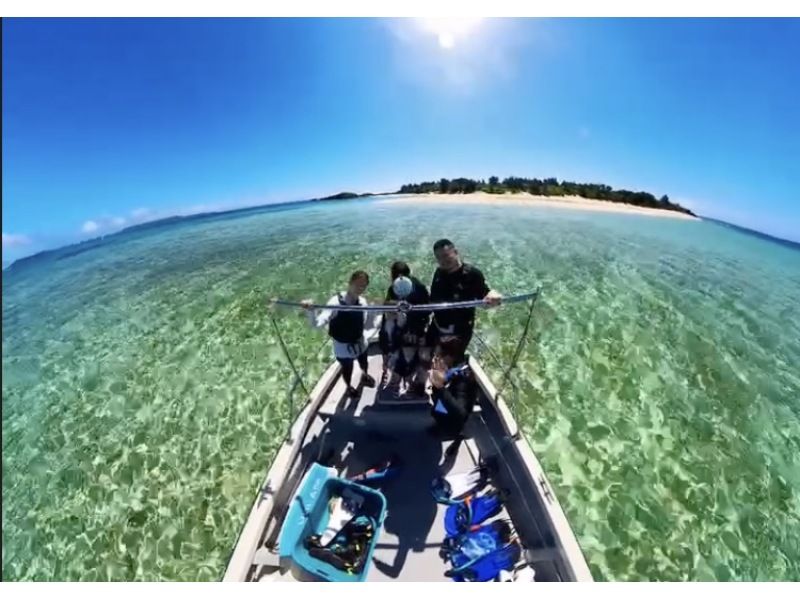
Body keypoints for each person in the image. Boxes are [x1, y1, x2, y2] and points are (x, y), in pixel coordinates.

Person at [301, 270, 378, 399]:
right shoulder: (335, 303)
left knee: (364, 363)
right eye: (357, 284)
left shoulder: (363, 302)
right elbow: (317, 324)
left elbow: (366, 322)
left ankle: (365, 376)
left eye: (363, 285)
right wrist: (311, 311)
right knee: (347, 369)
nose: (360, 288)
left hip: (360, 341)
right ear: (350, 283)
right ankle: (348, 387)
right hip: (343, 347)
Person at [426, 239, 502, 352]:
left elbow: (486, 293)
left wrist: (494, 296)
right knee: (424, 355)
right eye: (439, 258)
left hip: (459, 333)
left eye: (446, 255)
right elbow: (433, 299)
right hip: (437, 326)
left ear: (456, 252)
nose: (443, 260)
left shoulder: (472, 274)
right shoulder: (439, 272)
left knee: (449, 364)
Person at [378, 261, 431, 393]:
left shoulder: (416, 288)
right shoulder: (417, 286)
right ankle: (404, 379)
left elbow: (426, 309)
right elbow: (427, 309)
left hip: (413, 326)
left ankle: (406, 380)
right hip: (407, 325)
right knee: (406, 352)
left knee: (407, 352)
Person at [429, 336, 478, 438]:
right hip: (447, 408)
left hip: (456, 421)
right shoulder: (451, 368)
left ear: (450, 356)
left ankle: (449, 431)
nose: (436, 359)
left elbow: (460, 413)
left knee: (437, 409)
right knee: (435, 409)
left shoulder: (463, 378)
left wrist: (440, 387)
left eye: (439, 356)